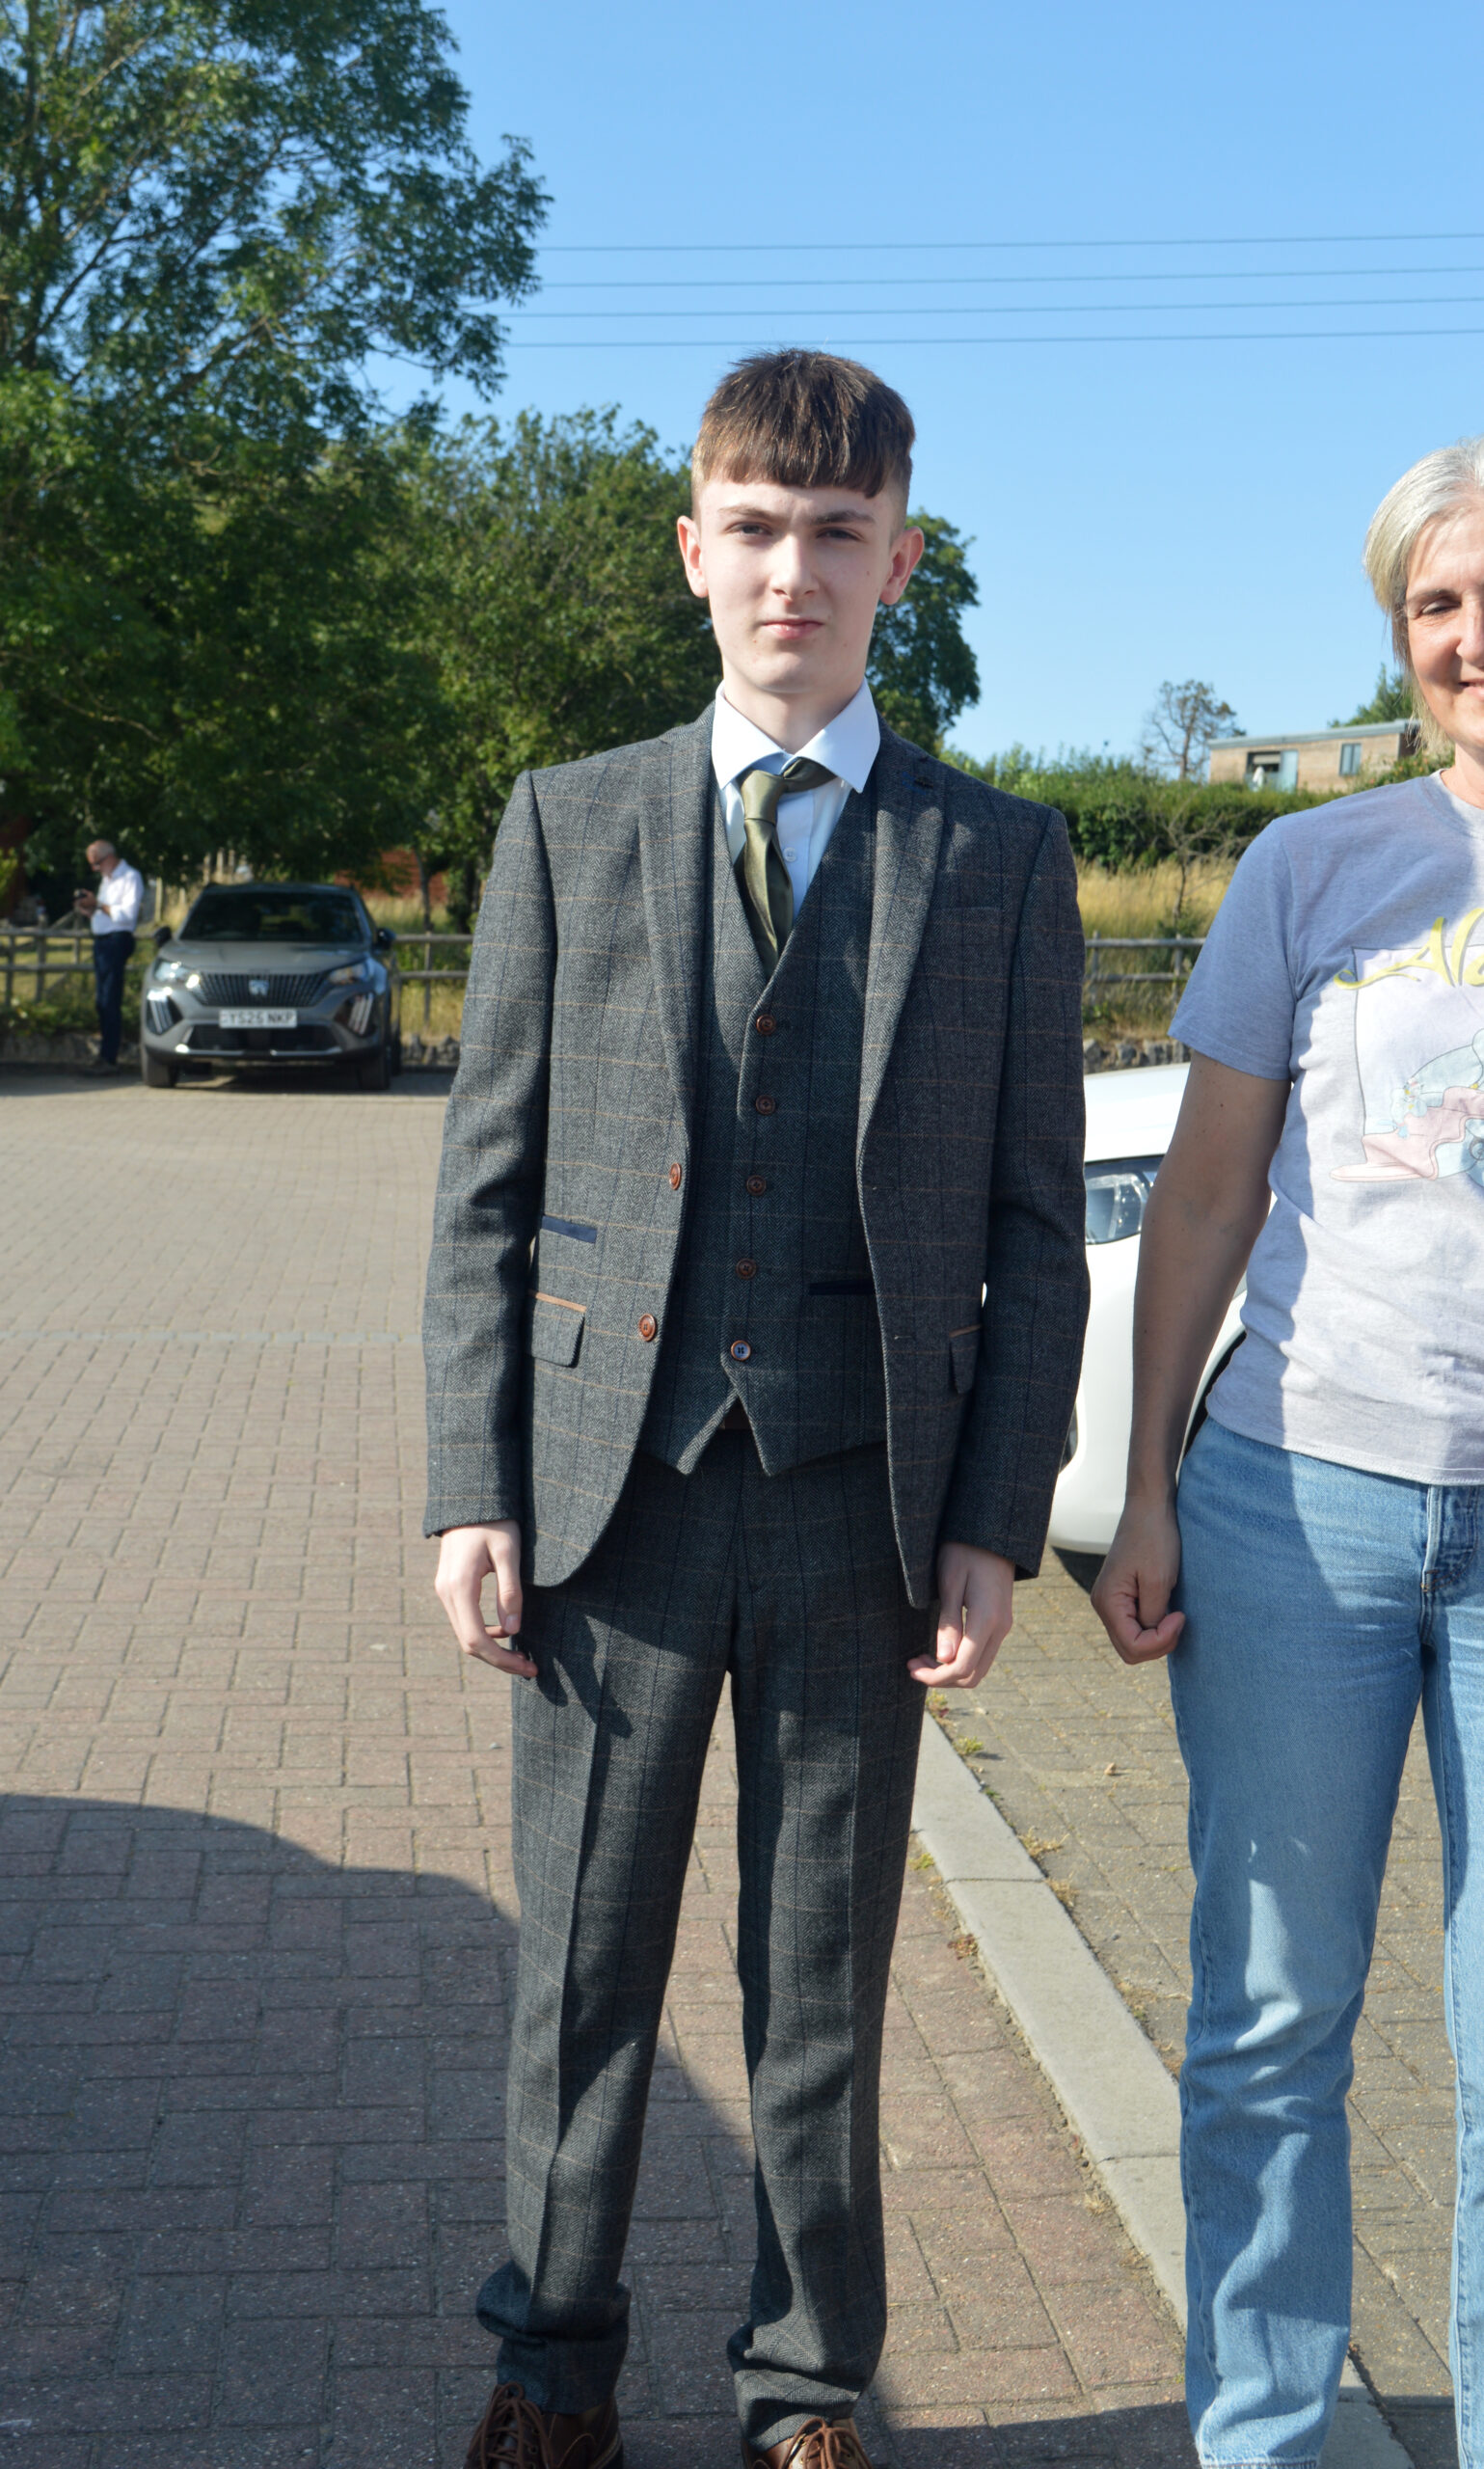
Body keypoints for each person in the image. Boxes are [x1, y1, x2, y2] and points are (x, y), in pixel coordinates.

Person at [422, 349, 1090, 2469]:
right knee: (579, 1972)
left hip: (851, 1503)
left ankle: (804, 2384)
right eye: (754, 527)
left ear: (899, 558)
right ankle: (551, 2370)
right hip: (604, 1499)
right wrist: (469, 1486)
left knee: (819, 1982)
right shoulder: (571, 817)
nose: (790, 569)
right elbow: (488, 1188)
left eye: (835, 532)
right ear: (691, 548)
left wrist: (990, 1517)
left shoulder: (997, 857)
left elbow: (1032, 1229)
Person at [1093, 434, 1484, 2469]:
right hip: (1293, 1503)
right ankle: (1261, 2439)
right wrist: (1144, 1487)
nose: (1468, 636)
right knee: (1264, 2024)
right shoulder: (1309, 868)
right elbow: (1204, 1194)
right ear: (1397, 632)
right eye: (1436, 602)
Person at [77, 839, 144, 1069]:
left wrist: (98, 904)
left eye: (96, 863)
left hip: (117, 941)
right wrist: (89, 909)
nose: (95, 869)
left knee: (110, 1000)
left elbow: (127, 915)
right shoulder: (107, 880)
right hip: (103, 941)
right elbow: (104, 914)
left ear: (110, 857)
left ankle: (109, 1056)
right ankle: (106, 1053)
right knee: (102, 1001)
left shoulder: (130, 877)